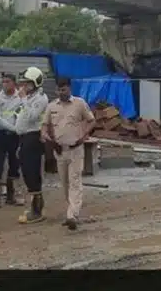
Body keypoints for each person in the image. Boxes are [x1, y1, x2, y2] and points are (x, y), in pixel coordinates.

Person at [41, 77, 95, 231]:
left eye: (63, 89)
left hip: (76, 149)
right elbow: (44, 126)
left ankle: (72, 214)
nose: (60, 92)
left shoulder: (79, 104)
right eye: (58, 90)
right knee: (65, 183)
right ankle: (71, 211)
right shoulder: (52, 107)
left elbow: (92, 121)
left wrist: (84, 134)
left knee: (75, 180)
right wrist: (46, 137)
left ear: (69, 88)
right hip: (59, 150)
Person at [14, 66, 49, 224]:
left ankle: (37, 210)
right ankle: (35, 206)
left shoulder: (40, 99)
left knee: (32, 171)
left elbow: (32, 117)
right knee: (26, 172)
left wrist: (22, 100)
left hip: (33, 137)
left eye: (27, 83)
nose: (24, 86)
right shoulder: (29, 98)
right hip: (24, 137)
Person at [0, 73, 24, 210]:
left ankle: (11, 195)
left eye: (8, 81)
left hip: (16, 137)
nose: (5, 84)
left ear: (14, 83)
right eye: (3, 82)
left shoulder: (20, 98)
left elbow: (23, 113)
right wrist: (14, 128)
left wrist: (18, 129)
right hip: (1, 134)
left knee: (14, 163)